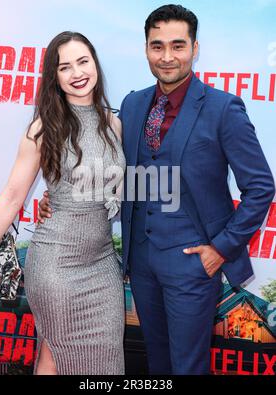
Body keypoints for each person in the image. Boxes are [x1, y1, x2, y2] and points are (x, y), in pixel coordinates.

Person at [38, 5, 275, 375]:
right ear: (146, 48)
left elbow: (261, 187)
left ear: (195, 49)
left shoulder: (223, 108)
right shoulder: (132, 105)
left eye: (178, 46)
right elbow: (111, 170)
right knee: (158, 366)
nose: (167, 57)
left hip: (193, 266)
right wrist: (60, 197)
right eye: (157, 46)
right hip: (141, 265)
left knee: (187, 368)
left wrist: (221, 249)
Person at [0, 31, 126, 375]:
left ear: (95, 64)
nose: (77, 72)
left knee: (98, 359)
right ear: (54, 77)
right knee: (56, 355)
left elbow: (115, 187)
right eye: (65, 67)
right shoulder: (44, 128)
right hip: (56, 265)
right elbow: (14, 193)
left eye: (83, 61)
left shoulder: (113, 124)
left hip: (103, 264)